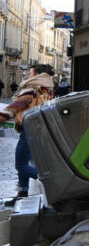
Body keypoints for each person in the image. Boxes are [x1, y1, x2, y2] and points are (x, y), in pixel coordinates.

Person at [1, 64, 55, 200]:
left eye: (30, 73)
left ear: (37, 75)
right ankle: (22, 193)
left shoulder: (32, 89)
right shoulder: (47, 89)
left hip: (29, 130)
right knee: (24, 162)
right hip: (38, 130)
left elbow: (14, 107)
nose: (28, 76)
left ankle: (51, 180)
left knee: (21, 165)